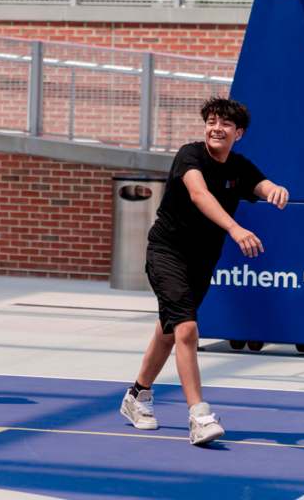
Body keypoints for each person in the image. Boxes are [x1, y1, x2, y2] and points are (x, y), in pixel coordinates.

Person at [120, 96, 289, 446]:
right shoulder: (190, 155)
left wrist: (276, 190)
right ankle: (200, 414)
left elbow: (263, 185)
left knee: (168, 332)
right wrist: (235, 229)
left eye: (225, 124)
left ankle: (137, 396)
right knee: (187, 328)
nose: (216, 128)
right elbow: (199, 194)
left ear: (238, 133)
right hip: (167, 252)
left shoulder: (239, 167)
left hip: (201, 261)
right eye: (212, 121)